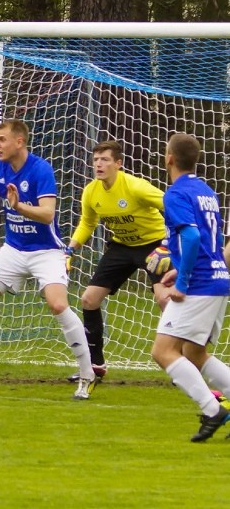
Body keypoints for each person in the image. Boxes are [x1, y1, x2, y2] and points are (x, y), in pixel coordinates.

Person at [0, 119, 95, 399]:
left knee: (58, 305)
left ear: (19, 142)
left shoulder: (40, 169)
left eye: (2, 139)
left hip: (46, 251)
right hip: (13, 250)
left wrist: (18, 206)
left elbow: (48, 214)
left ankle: (87, 375)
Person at [65, 140, 170, 382]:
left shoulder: (136, 187)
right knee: (89, 299)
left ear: (118, 164)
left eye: (105, 160)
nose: (99, 164)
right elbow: (87, 223)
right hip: (121, 247)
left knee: (165, 299)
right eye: (96, 160)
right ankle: (96, 365)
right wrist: (70, 249)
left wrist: (169, 243)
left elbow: (172, 206)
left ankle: (178, 362)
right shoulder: (92, 191)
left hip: (153, 245)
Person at [149, 133, 230, 442]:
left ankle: (213, 409)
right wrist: (179, 270)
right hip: (218, 276)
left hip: (199, 283)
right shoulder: (206, 191)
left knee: (163, 350)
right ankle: (215, 408)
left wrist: (182, 281)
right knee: (195, 354)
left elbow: (194, 238)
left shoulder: (175, 193)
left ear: (170, 158)